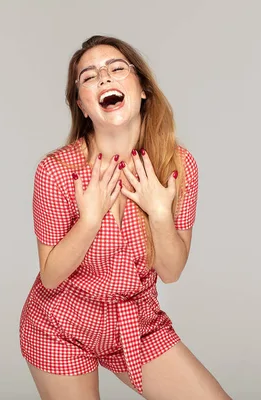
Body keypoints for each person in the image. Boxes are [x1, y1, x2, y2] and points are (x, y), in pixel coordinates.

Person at [19, 35, 232, 400]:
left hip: (136, 323)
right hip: (60, 327)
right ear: (83, 106)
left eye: (116, 68)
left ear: (143, 88)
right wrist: (88, 220)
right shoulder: (55, 172)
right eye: (89, 76)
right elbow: (51, 276)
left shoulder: (178, 166)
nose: (104, 78)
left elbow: (171, 272)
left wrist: (160, 214)